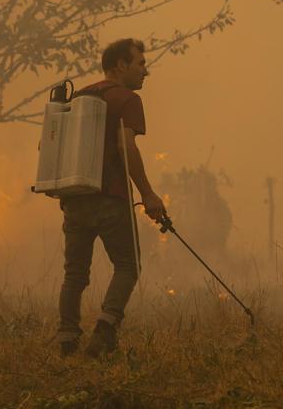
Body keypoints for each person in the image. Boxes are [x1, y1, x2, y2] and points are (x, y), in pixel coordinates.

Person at [56, 37, 167, 358]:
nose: (146, 72)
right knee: (128, 267)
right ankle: (105, 330)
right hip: (110, 198)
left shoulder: (80, 96)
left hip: (74, 198)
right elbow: (125, 146)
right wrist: (148, 194)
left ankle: (67, 340)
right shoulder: (126, 99)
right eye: (141, 64)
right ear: (121, 65)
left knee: (74, 274)